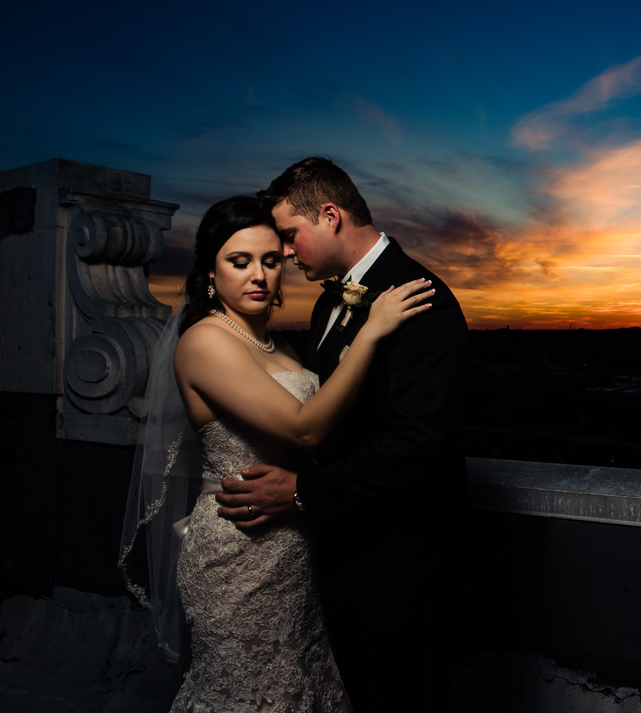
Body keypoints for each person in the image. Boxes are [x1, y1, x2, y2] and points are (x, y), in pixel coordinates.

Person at [119, 195, 432, 712]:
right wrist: (370, 331)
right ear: (210, 274)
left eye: (270, 260)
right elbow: (305, 430)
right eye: (239, 262)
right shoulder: (205, 342)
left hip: (294, 550)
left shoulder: (276, 347)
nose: (259, 275)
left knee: (300, 686)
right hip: (238, 553)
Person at [214, 157, 472, 713]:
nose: (284, 252)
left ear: (330, 216)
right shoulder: (333, 299)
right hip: (338, 561)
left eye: (289, 235)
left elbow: (422, 445)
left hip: (401, 574)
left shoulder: (421, 299)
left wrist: (303, 492)